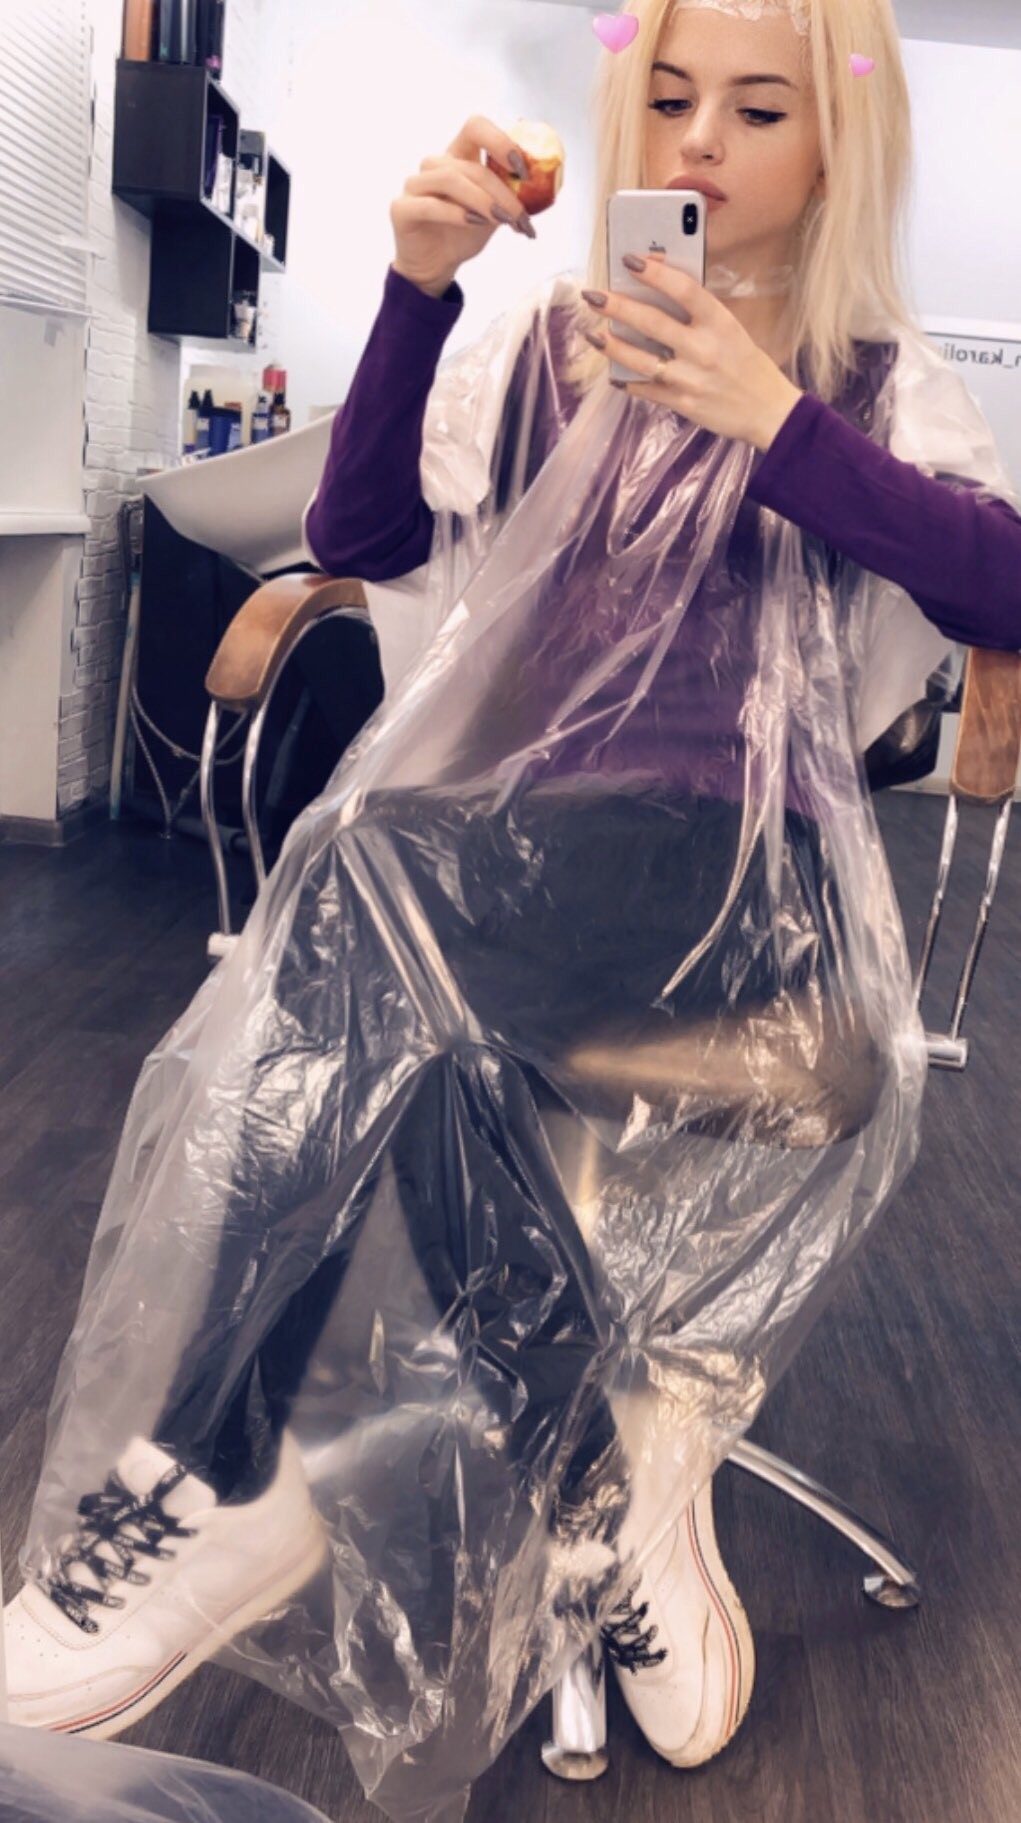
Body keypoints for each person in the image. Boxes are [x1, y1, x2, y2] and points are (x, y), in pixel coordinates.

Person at [5, 2, 1020, 1817]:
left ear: (835, 144)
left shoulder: (874, 381)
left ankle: (233, 1476)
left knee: (378, 918)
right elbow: (361, 535)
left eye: (758, 107)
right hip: (512, 866)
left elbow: (1002, 580)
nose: (699, 140)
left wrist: (776, 424)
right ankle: (603, 1484)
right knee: (401, 949)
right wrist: (414, 292)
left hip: (747, 891)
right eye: (671, 96)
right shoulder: (551, 344)